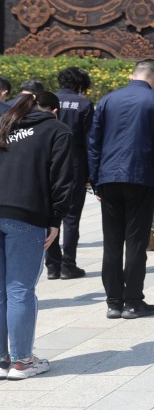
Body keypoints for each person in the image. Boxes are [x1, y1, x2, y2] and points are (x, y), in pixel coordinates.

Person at [88, 59, 154, 320]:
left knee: (112, 242)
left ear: (131, 75)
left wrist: (96, 181)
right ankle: (133, 302)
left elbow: (94, 143)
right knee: (136, 243)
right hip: (141, 177)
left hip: (109, 178)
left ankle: (113, 302)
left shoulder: (107, 100)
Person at [0, 91, 74, 380]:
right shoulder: (57, 130)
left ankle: (2, 358)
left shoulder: (4, 123)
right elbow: (63, 179)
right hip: (26, 215)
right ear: (54, 110)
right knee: (20, 290)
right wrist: (56, 220)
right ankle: (21, 361)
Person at [46, 67, 94, 280]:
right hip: (75, 167)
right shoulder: (83, 104)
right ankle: (68, 265)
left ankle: (52, 266)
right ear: (80, 85)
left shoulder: (47, 101)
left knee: (50, 215)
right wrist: (91, 174)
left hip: (48, 167)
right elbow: (90, 142)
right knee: (72, 218)